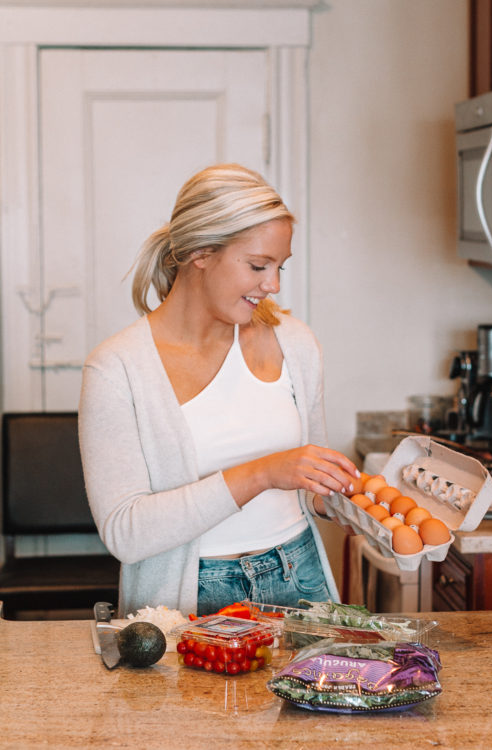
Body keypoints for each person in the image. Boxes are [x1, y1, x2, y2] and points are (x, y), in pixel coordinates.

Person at [78, 163, 361, 618]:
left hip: (299, 576)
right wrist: (263, 472)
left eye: (279, 267)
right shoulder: (117, 368)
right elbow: (125, 533)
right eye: (257, 266)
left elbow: (311, 486)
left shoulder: (295, 343)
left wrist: (352, 504)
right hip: (190, 600)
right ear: (201, 252)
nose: (274, 286)